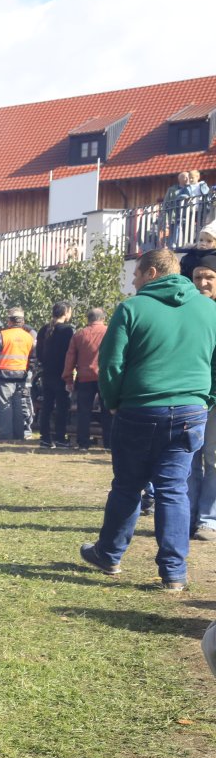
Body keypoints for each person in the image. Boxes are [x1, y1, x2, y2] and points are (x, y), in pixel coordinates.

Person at [78, 249, 216, 592]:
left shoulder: (131, 308)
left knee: (128, 485)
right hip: (190, 410)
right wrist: (207, 398)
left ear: (151, 272)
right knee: (173, 489)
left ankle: (109, 554)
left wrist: (112, 402)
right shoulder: (209, 309)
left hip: (140, 408)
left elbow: (111, 364)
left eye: (136, 274)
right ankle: (174, 573)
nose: (133, 280)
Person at [181, 251, 216, 540]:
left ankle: (208, 518)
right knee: (189, 457)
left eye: (209, 277)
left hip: (214, 397)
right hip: (190, 396)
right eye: (197, 277)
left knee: (213, 457)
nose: (202, 282)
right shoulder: (186, 311)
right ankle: (187, 514)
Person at [0, 308, 36, 440]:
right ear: (22, 321)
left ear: (9, 321)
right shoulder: (29, 337)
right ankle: (19, 435)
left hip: (2, 376)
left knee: (4, 406)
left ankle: (6, 435)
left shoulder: (2, 335)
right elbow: (33, 359)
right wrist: (27, 372)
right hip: (21, 377)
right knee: (17, 406)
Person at [64, 306, 110, 450]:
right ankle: (109, 443)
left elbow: (70, 358)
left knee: (83, 412)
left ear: (88, 319)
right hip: (105, 377)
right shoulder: (110, 332)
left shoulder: (79, 334)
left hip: (84, 377)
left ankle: (83, 443)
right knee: (108, 411)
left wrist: (68, 379)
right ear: (103, 318)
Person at [34, 302, 76, 448]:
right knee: (62, 407)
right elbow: (70, 353)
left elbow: (39, 353)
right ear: (66, 313)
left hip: (47, 373)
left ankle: (45, 438)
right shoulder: (68, 330)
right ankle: (60, 438)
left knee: (47, 406)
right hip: (61, 373)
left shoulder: (44, 329)